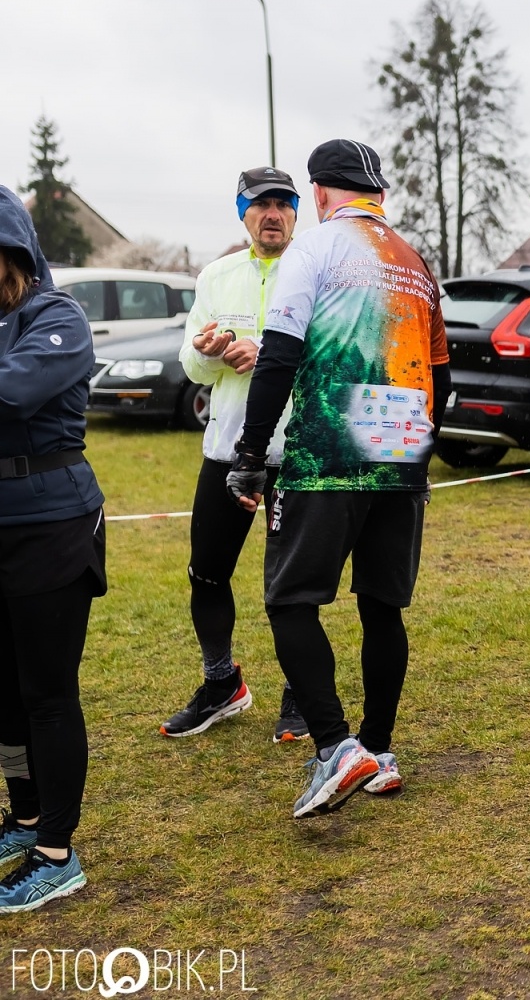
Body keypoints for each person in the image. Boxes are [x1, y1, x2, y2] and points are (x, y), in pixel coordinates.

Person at [227, 139, 451, 818]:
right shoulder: (414, 261)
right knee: (382, 606)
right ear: (377, 192)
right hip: (403, 445)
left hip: (330, 449)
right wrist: (417, 445)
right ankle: (378, 750)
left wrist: (249, 452)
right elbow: (443, 375)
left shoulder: (316, 249)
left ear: (320, 193)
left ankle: (334, 746)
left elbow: (280, 356)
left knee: (290, 601)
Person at [161, 167, 309, 742]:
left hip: (294, 454)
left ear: (297, 211)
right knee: (207, 573)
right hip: (226, 452)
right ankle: (221, 683)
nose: (272, 214)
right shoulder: (217, 275)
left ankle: (302, 692)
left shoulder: (314, 271)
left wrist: (267, 350)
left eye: (283, 203)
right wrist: (211, 352)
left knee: (292, 585)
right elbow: (194, 366)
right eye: (259, 204)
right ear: (242, 212)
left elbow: (328, 355)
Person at [0, 184, 107, 911]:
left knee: (46, 694)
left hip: (53, 526)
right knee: (3, 696)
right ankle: (26, 814)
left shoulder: (57, 317)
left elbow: (12, 391)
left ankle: (56, 852)